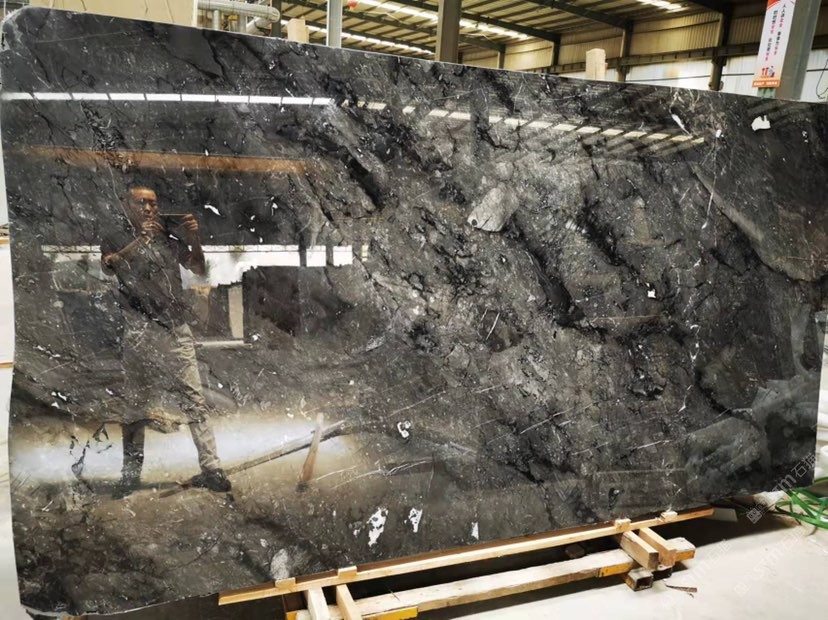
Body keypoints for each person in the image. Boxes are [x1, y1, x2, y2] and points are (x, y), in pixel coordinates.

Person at [101, 185, 231, 497]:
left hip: (174, 328)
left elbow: (198, 268)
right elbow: (110, 266)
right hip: (139, 330)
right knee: (135, 406)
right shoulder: (114, 236)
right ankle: (130, 475)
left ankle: (212, 468)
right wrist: (140, 240)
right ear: (127, 205)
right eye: (141, 203)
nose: (149, 209)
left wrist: (194, 237)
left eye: (153, 204)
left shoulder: (167, 239)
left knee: (194, 399)